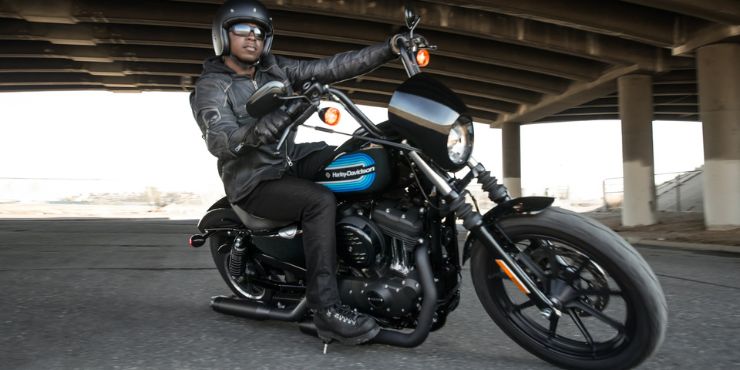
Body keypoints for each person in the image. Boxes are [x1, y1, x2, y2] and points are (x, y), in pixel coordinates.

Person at [190, 0, 402, 345]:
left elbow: (332, 67)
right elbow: (222, 141)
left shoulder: (275, 70)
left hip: (287, 159)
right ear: (223, 36)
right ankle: (327, 311)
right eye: (241, 30)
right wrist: (281, 118)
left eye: (258, 32)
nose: (251, 37)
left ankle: (376, 258)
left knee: (365, 151)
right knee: (318, 201)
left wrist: (389, 48)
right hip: (254, 180)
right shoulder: (212, 87)